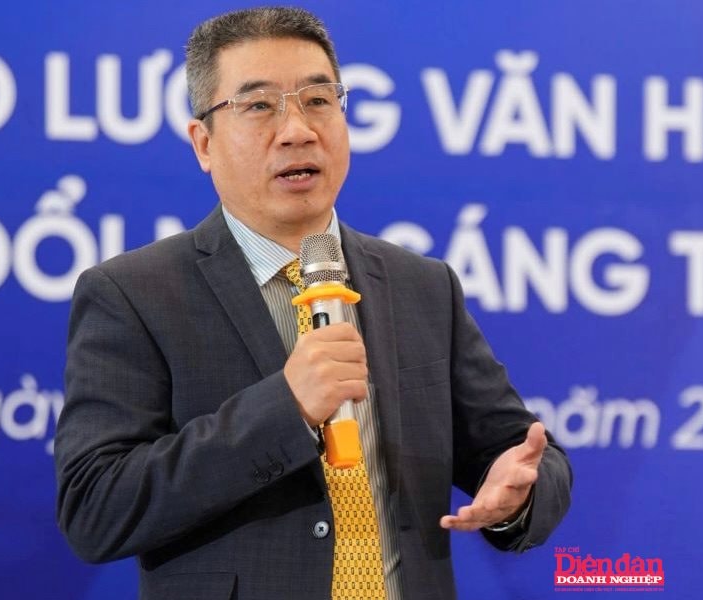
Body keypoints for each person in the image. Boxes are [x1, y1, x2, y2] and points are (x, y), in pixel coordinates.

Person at [54, 7, 572, 600]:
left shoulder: (423, 286)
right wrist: (286, 408)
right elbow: (95, 507)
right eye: (259, 105)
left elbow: (523, 449)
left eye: (319, 100)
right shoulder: (134, 293)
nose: (297, 130)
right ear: (204, 143)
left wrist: (519, 493)